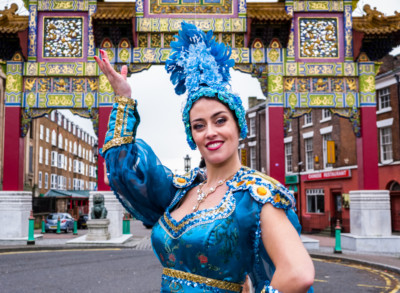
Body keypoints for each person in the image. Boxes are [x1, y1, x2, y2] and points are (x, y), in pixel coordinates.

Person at [94, 22, 314, 293]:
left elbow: (299, 273)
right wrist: (123, 100)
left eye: (220, 120)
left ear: (238, 126)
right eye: (199, 125)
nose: (210, 132)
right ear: (192, 135)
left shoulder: (256, 195)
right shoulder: (179, 190)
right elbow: (122, 172)